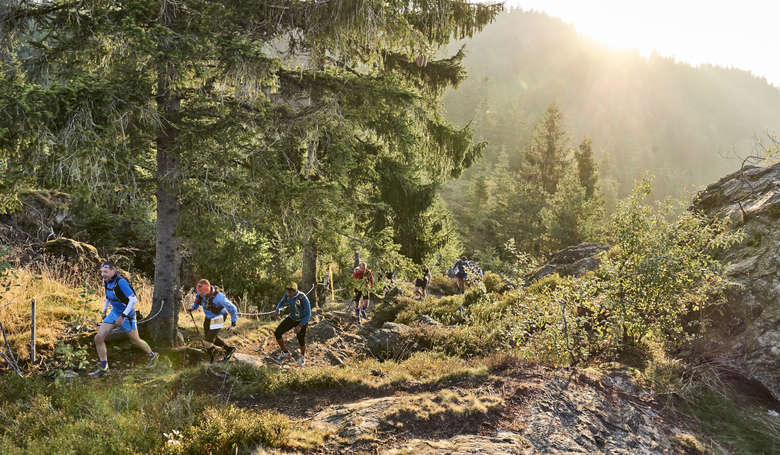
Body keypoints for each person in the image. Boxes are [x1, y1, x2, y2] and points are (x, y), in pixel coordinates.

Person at [89, 262, 158, 377]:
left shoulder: (121, 282)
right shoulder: (106, 281)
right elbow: (107, 297)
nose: (103, 274)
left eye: (105, 272)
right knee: (98, 338)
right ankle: (104, 367)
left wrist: (123, 316)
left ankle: (152, 355)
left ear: (113, 271)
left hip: (127, 315)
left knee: (135, 340)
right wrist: (104, 310)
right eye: (101, 272)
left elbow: (133, 300)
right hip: (114, 312)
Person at [187, 279, 238, 362]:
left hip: (218, 317)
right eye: (198, 291)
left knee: (207, 342)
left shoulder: (219, 297)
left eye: (201, 293)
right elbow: (197, 301)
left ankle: (212, 358)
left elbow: (233, 308)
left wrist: (233, 324)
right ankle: (229, 349)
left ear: (208, 290)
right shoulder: (200, 292)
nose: (199, 294)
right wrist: (192, 308)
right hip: (208, 317)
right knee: (209, 337)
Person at [274, 282, 311, 366]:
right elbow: (281, 302)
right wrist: (277, 309)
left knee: (301, 339)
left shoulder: (302, 298)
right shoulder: (287, 295)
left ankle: (302, 357)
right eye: (287, 291)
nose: (288, 294)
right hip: (292, 318)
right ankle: (285, 353)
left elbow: (308, 314)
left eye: (290, 292)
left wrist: (300, 325)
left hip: (302, 320)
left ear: (295, 291)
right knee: (277, 332)